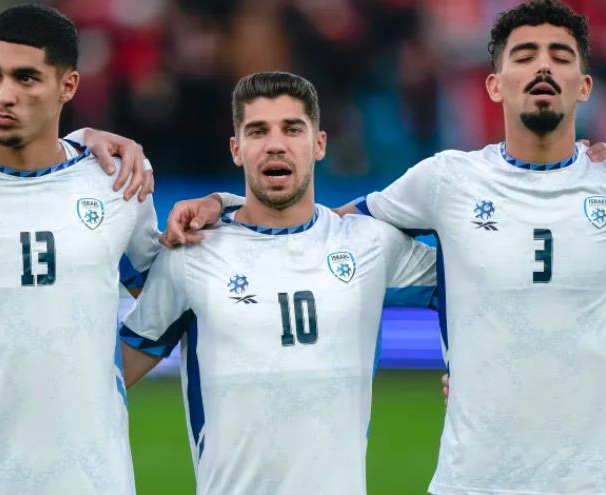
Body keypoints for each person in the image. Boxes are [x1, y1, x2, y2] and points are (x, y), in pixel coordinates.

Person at [163, 1, 606, 493]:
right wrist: (224, 204)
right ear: (494, 85)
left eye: (560, 56)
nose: (543, 66)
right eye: (524, 55)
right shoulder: (447, 179)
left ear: (585, 86)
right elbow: (319, 229)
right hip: (473, 482)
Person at [119, 71, 437, 495]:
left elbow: (476, 280)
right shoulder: (192, 254)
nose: (275, 144)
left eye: (292, 129)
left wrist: (472, 373)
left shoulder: (370, 244)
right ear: (236, 149)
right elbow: (108, 375)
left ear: (319, 144)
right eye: (257, 131)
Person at [0, 5, 159, 494]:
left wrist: (106, 375)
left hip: (91, 481)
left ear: (68, 86)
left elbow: (174, 297)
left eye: (26, 78)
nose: (3, 95)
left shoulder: (116, 184)